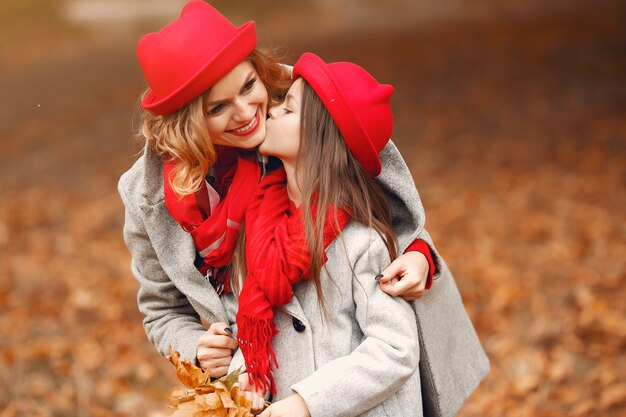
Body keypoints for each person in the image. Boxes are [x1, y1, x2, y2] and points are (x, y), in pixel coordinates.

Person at [118, 2, 488, 416]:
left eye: (247, 86)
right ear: (185, 125)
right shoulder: (148, 194)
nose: (247, 114)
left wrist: (419, 255)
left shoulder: (311, 105)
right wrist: (198, 349)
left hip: (348, 364)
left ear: (260, 72)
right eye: (216, 108)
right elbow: (161, 308)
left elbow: (390, 206)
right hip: (265, 376)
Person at [222, 52, 421, 417]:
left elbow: (395, 348)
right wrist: (244, 378)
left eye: (290, 108)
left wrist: (305, 403)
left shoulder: (361, 242)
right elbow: (259, 328)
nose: (274, 110)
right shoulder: (262, 226)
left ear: (321, 136)